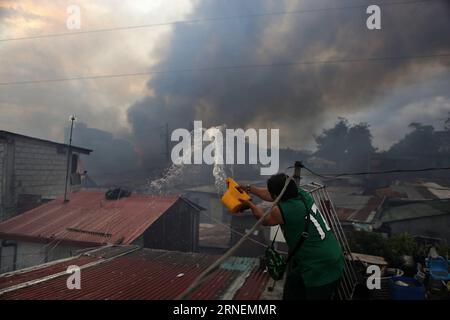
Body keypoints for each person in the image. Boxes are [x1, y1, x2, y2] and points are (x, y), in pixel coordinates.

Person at [238, 173, 344, 300]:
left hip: (320, 267)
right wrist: (249, 189)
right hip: (330, 253)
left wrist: (250, 205)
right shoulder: (302, 194)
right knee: (292, 284)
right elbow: (271, 194)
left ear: (277, 195)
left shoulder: (282, 210)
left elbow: (265, 220)